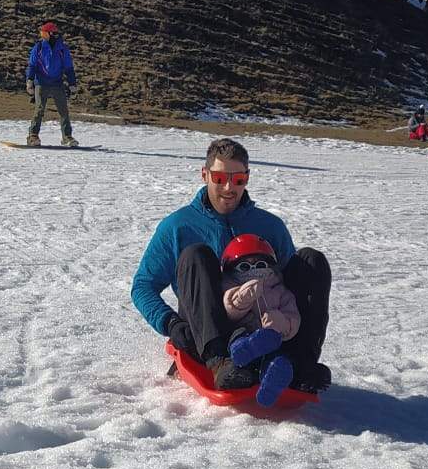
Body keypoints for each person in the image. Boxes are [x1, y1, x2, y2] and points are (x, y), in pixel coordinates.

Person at [132, 137, 332, 396]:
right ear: (205, 175)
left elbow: (288, 284)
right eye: (219, 178)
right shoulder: (178, 226)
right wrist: (170, 323)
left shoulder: (269, 226)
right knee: (196, 254)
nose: (228, 187)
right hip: (206, 331)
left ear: (247, 178)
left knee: (310, 260)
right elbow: (142, 286)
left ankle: (298, 363)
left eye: (238, 180)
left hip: (263, 329)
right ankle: (220, 363)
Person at [220, 234, 301, 403]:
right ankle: (243, 349)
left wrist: (282, 323)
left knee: (276, 354)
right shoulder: (230, 284)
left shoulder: (279, 290)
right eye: (244, 266)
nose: (254, 269)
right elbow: (228, 310)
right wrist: (241, 298)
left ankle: (273, 378)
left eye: (260, 265)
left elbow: (293, 316)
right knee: (238, 333)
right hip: (243, 330)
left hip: (272, 336)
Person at [24, 21, 77, 147]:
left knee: (63, 110)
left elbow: (68, 67)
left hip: (57, 83)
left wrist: (72, 84)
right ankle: (33, 136)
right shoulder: (39, 47)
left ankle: (67, 137)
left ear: (51, 34)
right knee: (39, 109)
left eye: (44, 33)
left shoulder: (62, 49)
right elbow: (32, 65)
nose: (42, 35)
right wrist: (30, 80)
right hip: (41, 82)